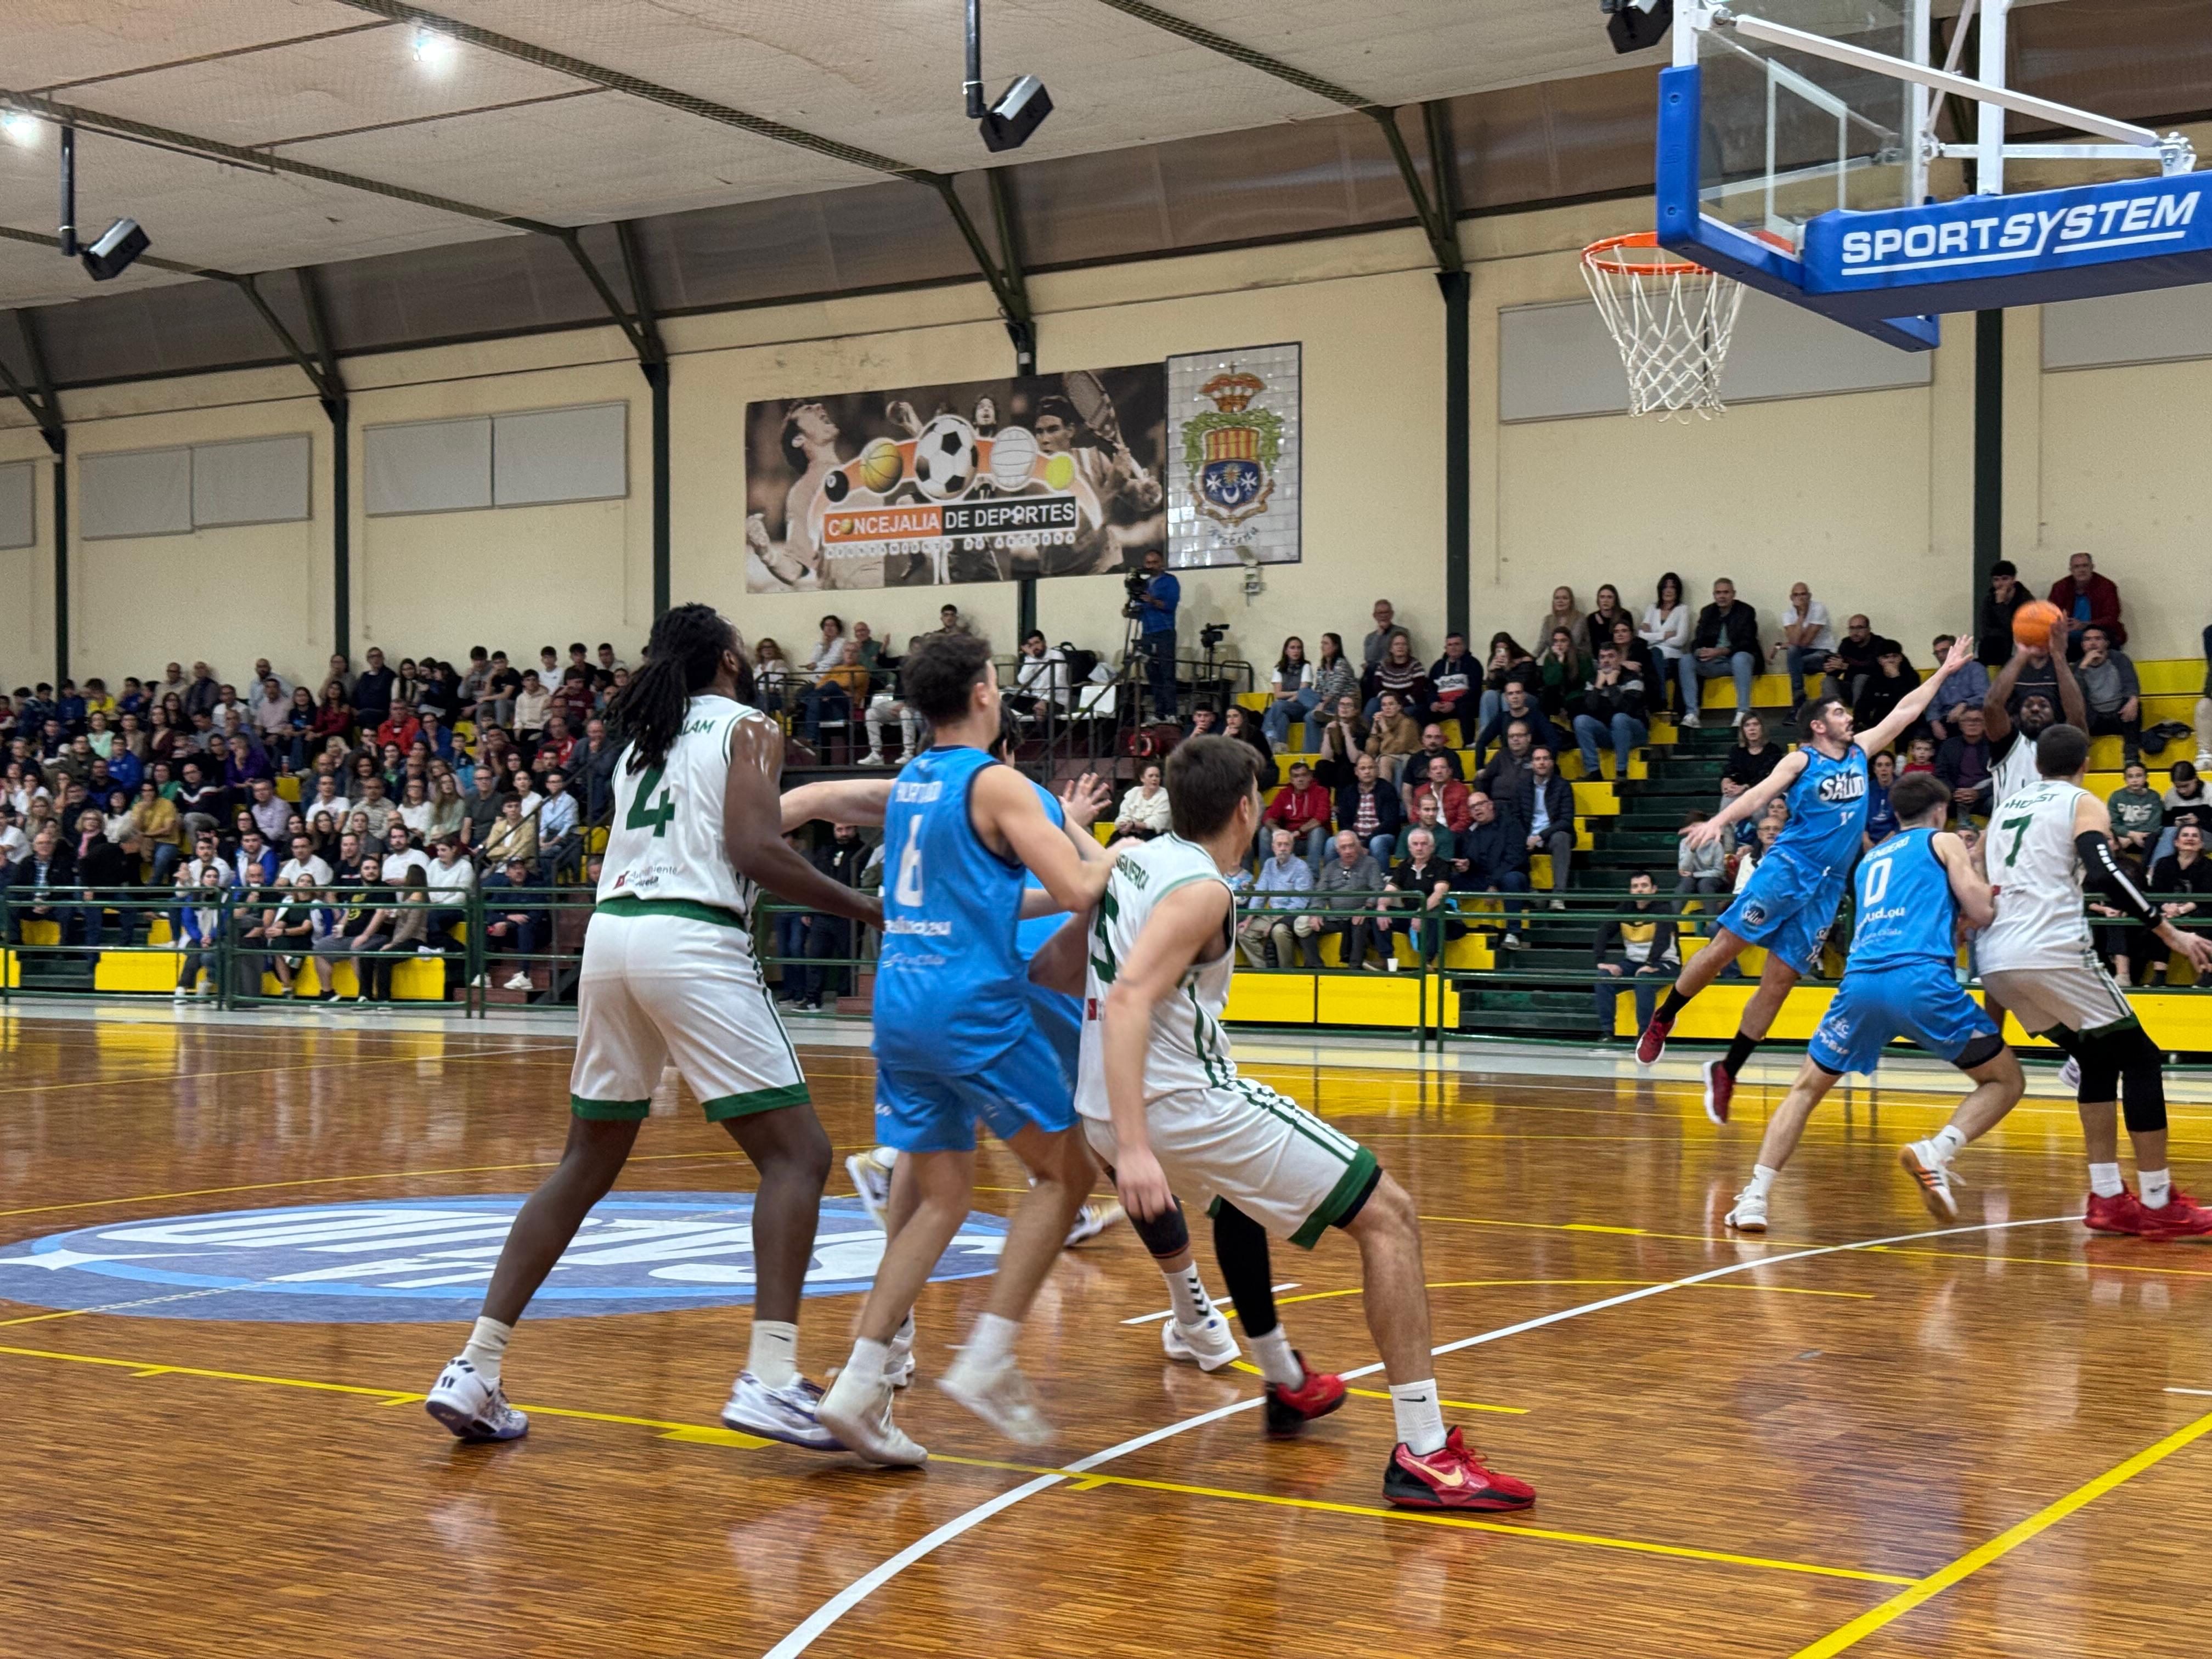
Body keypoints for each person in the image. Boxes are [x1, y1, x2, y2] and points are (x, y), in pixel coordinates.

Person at [423, 603, 885, 1450]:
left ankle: (475, 1366)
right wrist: (864, 907)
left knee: (585, 1162)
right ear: (732, 661)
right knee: (798, 1155)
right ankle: (772, 1378)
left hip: (612, 938)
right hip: (689, 937)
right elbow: (752, 848)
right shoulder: (748, 725)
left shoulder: (643, 740)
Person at [1064, 735, 1535, 1511]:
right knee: (1390, 1215)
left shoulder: (1135, 853)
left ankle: (1285, 1378)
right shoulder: (1203, 892)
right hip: (1178, 1105)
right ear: (1247, 808)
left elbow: (1101, 881)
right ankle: (1425, 1451)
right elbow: (1127, 1000)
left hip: (1104, 1106)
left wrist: (1075, 823)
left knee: (1235, 1205)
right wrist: (1141, 1152)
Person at [814, 631, 1114, 1463]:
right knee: (1069, 1172)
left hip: (899, 1002)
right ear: (986, 691)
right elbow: (1078, 890)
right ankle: (988, 1356)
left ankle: (858, 1383)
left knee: (942, 1197)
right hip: (967, 1006)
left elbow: (987, 893)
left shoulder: (916, 781)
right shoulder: (996, 782)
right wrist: (1113, 850)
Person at [1638, 636, 1977, 1121]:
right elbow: (1759, 794)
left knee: (1778, 984)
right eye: (1839, 713)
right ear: (1819, 725)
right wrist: (1720, 822)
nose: (1849, 718)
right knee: (1722, 952)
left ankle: (1728, 1071)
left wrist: (1942, 673)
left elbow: (1904, 712)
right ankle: (1665, 1016)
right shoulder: (1802, 760)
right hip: (1786, 872)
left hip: (1825, 889)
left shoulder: (1861, 751)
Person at [1722, 774, 2022, 1232]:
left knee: (1805, 1090)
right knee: (2005, 1081)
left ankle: (1755, 1198)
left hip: (1861, 982)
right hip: (1920, 979)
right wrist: (1980, 871)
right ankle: (1935, 1152)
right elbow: (1981, 912)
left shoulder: (1870, 860)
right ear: (1940, 811)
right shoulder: (1944, 841)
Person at [1976, 723, 2212, 1237]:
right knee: (2144, 1059)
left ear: (2038, 766)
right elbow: (2104, 872)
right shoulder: (2081, 802)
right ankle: (2157, 1201)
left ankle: (2107, 1197)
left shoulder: (2007, 809)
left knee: (2098, 1059)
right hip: (2051, 949)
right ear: (2085, 764)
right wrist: (2169, 933)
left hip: (1996, 957)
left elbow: (1976, 878)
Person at [1982, 619, 2088, 810]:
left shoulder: (2064, 745)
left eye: (2044, 705)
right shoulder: (2009, 745)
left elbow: (2078, 716)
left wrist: (2059, 657)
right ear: (2018, 713)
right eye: (2029, 705)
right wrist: (2022, 654)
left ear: (2055, 714)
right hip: (2011, 837)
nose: (2036, 709)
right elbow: (1992, 706)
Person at [1593, 872, 1677, 1038]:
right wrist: (1601, 961)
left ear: (1654, 890)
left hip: (1665, 963)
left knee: (1643, 979)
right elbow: (1604, 932)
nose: (1639, 890)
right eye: (1635, 887)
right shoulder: (1625, 908)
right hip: (1633, 963)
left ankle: (1644, 1036)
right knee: (1603, 977)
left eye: (1644, 886)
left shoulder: (1664, 909)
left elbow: (1662, 941)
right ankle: (1607, 1032)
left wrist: (1650, 964)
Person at [1457, 789, 1532, 947]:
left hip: (1508, 876)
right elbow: (1472, 859)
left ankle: (1513, 933)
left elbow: (1515, 858)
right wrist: (1467, 865)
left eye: (1480, 804)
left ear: (1490, 805)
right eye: (1472, 807)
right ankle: (1451, 926)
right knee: (1447, 881)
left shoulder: (1511, 825)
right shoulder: (1471, 832)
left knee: (1512, 879)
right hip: (1482, 879)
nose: (1477, 809)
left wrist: (1494, 884)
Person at [2138, 824, 2212, 985]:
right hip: (2169, 910)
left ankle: (2207, 974)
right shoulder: (2163, 864)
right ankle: (2159, 974)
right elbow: (2156, 892)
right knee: (2156, 923)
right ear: (2177, 842)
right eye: (2185, 835)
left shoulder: (2208, 866)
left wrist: (2181, 909)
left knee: (2206, 922)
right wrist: (2167, 907)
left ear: (2201, 843)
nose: (2190, 839)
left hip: (2197, 910)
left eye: (2195, 836)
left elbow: (2206, 894)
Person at [1381, 826, 1459, 965]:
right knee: (1378, 914)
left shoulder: (1441, 865)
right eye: (1415, 844)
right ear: (1410, 848)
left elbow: (1440, 893)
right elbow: (1390, 890)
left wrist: (1420, 913)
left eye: (1424, 844)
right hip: (1410, 913)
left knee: (1434, 914)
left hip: (1432, 912)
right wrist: (1382, 906)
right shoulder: (1404, 866)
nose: (1419, 848)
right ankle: (1386, 959)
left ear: (1432, 847)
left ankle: (1427, 961)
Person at [1243, 828, 1319, 968]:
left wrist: (1277, 920)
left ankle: (1286, 971)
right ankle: (1266, 969)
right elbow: (1260, 892)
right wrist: (1249, 919)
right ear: (1273, 847)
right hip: (1271, 914)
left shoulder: (1301, 867)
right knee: (1243, 932)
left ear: (1292, 847)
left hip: (1292, 916)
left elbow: (1300, 903)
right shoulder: (1269, 864)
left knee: (1278, 931)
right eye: (1279, 845)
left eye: (1286, 845)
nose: (1283, 848)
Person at [1572, 642, 1647, 780]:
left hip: (1635, 733)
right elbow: (1588, 710)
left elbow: (1627, 710)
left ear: (1619, 659)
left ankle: (1621, 772)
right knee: (1581, 721)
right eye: (1602, 657)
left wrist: (1613, 685)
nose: (1606, 661)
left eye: (1611, 656)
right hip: (1609, 733)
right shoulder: (1594, 681)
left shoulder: (1633, 679)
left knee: (1619, 718)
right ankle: (1594, 771)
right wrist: (1598, 687)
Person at [1514, 746, 1574, 906]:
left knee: (1562, 837)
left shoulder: (1563, 786)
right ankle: (1531, 893)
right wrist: (1525, 837)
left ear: (1552, 762)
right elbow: (1516, 817)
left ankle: (1558, 896)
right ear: (1532, 764)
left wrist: (1541, 836)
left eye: (1545, 759)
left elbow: (1566, 820)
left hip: (1550, 836)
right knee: (1510, 839)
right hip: (1527, 836)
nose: (1542, 763)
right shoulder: (1522, 787)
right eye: (1537, 759)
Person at [2074, 626, 2142, 764]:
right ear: (2083, 645)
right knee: (2074, 713)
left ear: (2106, 643)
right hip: (2094, 719)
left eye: (2097, 639)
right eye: (2088, 640)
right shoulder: (2078, 667)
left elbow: (2131, 683)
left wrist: (2133, 700)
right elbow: (2075, 697)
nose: (2093, 643)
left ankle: (2131, 758)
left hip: (2119, 715)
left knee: (2135, 705)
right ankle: (2080, 760)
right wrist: (2083, 668)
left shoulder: (2119, 659)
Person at [2047, 550, 2125, 658]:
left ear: (2092, 567)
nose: (2081, 570)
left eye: (2085, 566)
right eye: (2077, 567)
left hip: (2099, 636)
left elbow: (2112, 618)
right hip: (2068, 638)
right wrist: (2062, 624)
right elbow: (2049, 616)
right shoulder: (2060, 588)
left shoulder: (2106, 587)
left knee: (2103, 640)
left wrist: (2085, 625)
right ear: (2071, 570)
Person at [1772, 582, 1836, 712]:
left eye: (1803, 594)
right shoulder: (1788, 615)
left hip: (1823, 653)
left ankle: (1798, 699)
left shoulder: (1819, 609)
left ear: (1810, 596)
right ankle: (1799, 695)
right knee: (1793, 652)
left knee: (1794, 662)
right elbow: (1795, 642)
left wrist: (1780, 646)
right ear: (1791, 598)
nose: (1800, 598)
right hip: (1803, 656)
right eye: (1796, 595)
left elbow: (1805, 642)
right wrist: (1801, 615)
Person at [1259, 759, 1333, 870]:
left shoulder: (1321, 791)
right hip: (1291, 841)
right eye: (1296, 776)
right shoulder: (1285, 794)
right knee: (1265, 831)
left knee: (1317, 831)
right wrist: (1277, 831)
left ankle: (1313, 876)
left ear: (1310, 777)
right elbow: (1269, 817)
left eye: (1304, 775)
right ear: (1291, 780)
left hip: (1315, 841)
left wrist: (1299, 832)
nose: (1300, 779)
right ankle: (1267, 875)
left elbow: (1321, 817)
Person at [1135, 546, 1180, 721]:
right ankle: (1159, 713)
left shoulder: (1170, 581)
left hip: (1164, 633)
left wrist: (1152, 601)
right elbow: (1138, 609)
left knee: (1167, 673)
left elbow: (1170, 605)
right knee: (1152, 674)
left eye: (1155, 562)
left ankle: (1171, 714)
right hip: (1147, 633)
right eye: (1148, 563)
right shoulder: (1143, 584)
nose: (1151, 565)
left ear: (1162, 564)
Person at [1335, 752, 1403, 865]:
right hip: (1355, 838)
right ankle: (1331, 880)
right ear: (1356, 772)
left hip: (1381, 836)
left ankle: (1382, 878)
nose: (1367, 772)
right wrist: (1355, 842)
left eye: (1371, 768)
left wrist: (1366, 842)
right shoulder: (1349, 792)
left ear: (1377, 770)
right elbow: (1343, 822)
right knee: (1331, 843)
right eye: (1363, 768)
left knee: (1377, 843)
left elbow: (1391, 823)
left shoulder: (1387, 789)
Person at [1934, 703, 1994, 823]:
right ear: (1960, 724)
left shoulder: (1995, 746)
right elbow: (1941, 775)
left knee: (2001, 803)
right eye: (1967, 720)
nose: (1972, 724)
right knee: (1932, 805)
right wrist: (1955, 793)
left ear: (1985, 724)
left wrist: (1979, 793)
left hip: (1984, 798)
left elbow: (2002, 776)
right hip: (1954, 797)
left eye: (1977, 720)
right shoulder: (1948, 746)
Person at [1262, 636, 1318, 754]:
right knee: (1282, 717)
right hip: (1285, 708)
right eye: (1293, 648)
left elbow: (1303, 694)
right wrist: (1292, 696)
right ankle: (1280, 749)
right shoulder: (1278, 668)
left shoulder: (1306, 667)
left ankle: (1265, 738)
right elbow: (1278, 694)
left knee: (1278, 706)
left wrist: (1286, 702)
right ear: (1286, 651)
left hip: (1301, 707)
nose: (1296, 651)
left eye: (1299, 648)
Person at [1976, 561, 2033, 666]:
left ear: (2013, 579)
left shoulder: (2026, 600)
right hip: (1995, 644)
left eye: (2005, 579)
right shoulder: (1989, 600)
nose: (2000, 584)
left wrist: (2001, 606)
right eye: (1996, 580)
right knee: (1986, 644)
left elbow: (2018, 630)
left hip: (2018, 644)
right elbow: (1985, 629)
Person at [2108, 760, 2164, 860]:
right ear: (2125, 779)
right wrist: (2130, 834)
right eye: (2130, 777)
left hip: (2145, 837)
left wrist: (2131, 838)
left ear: (2146, 777)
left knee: (2153, 838)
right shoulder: (2116, 797)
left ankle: (2145, 871)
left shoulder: (2154, 796)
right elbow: (2113, 823)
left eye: (2139, 776)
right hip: (2122, 837)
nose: (2134, 780)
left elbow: (2154, 825)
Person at [1426, 632, 1479, 731]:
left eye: (1457, 644)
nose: (1453, 648)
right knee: (1420, 712)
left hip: (1463, 705)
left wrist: (1455, 704)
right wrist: (1433, 702)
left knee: (1465, 708)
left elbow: (1475, 691)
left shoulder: (1473, 663)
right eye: (1450, 645)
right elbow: (1430, 688)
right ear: (1446, 648)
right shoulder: (1438, 666)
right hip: (1441, 706)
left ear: (1464, 646)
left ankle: (1469, 743)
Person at [1114, 762, 1172, 840]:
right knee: (1116, 838)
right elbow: (1124, 814)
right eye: (1151, 776)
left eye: (1157, 776)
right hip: (1131, 831)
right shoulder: (1133, 793)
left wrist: (1134, 825)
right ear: (1142, 778)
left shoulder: (1164, 796)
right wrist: (1123, 824)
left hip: (1155, 836)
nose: (1154, 779)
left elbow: (1157, 822)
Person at [1362, 599, 1410, 673]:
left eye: (1386, 612)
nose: (1383, 615)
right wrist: (1379, 635)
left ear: (1392, 614)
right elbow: (1369, 659)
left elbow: (1404, 655)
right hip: (1376, 673)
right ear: (1375, 616)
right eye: (1380, 613)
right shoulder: (1370, 637)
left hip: (1396, 671)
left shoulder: (1402, 632)